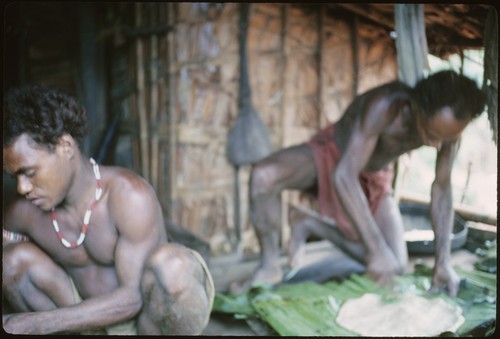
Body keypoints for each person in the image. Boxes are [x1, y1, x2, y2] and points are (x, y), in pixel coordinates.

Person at [229, 70, 486, 297]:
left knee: (394, 265)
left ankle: (308, 222)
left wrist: (443, 262)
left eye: (446, 140)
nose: (437, 145)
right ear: (415, 107)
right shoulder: (385, 106)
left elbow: (441, 188)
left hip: (373, 176)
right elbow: (344, 175)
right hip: (335, 156)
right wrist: (375, 248)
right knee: (263, 176)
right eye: (430, 135)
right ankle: (269, 266)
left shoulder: (448, 132)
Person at [2, 84, 215, 335]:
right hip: (80, 323)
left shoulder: (128, 196)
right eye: (14, 177)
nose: (22, 187)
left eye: (29, 173)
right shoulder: (22, 213)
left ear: (65, 147)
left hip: (145, 323)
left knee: (175, 267)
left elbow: (133, 297)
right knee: (10, 260)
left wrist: (35, 323)